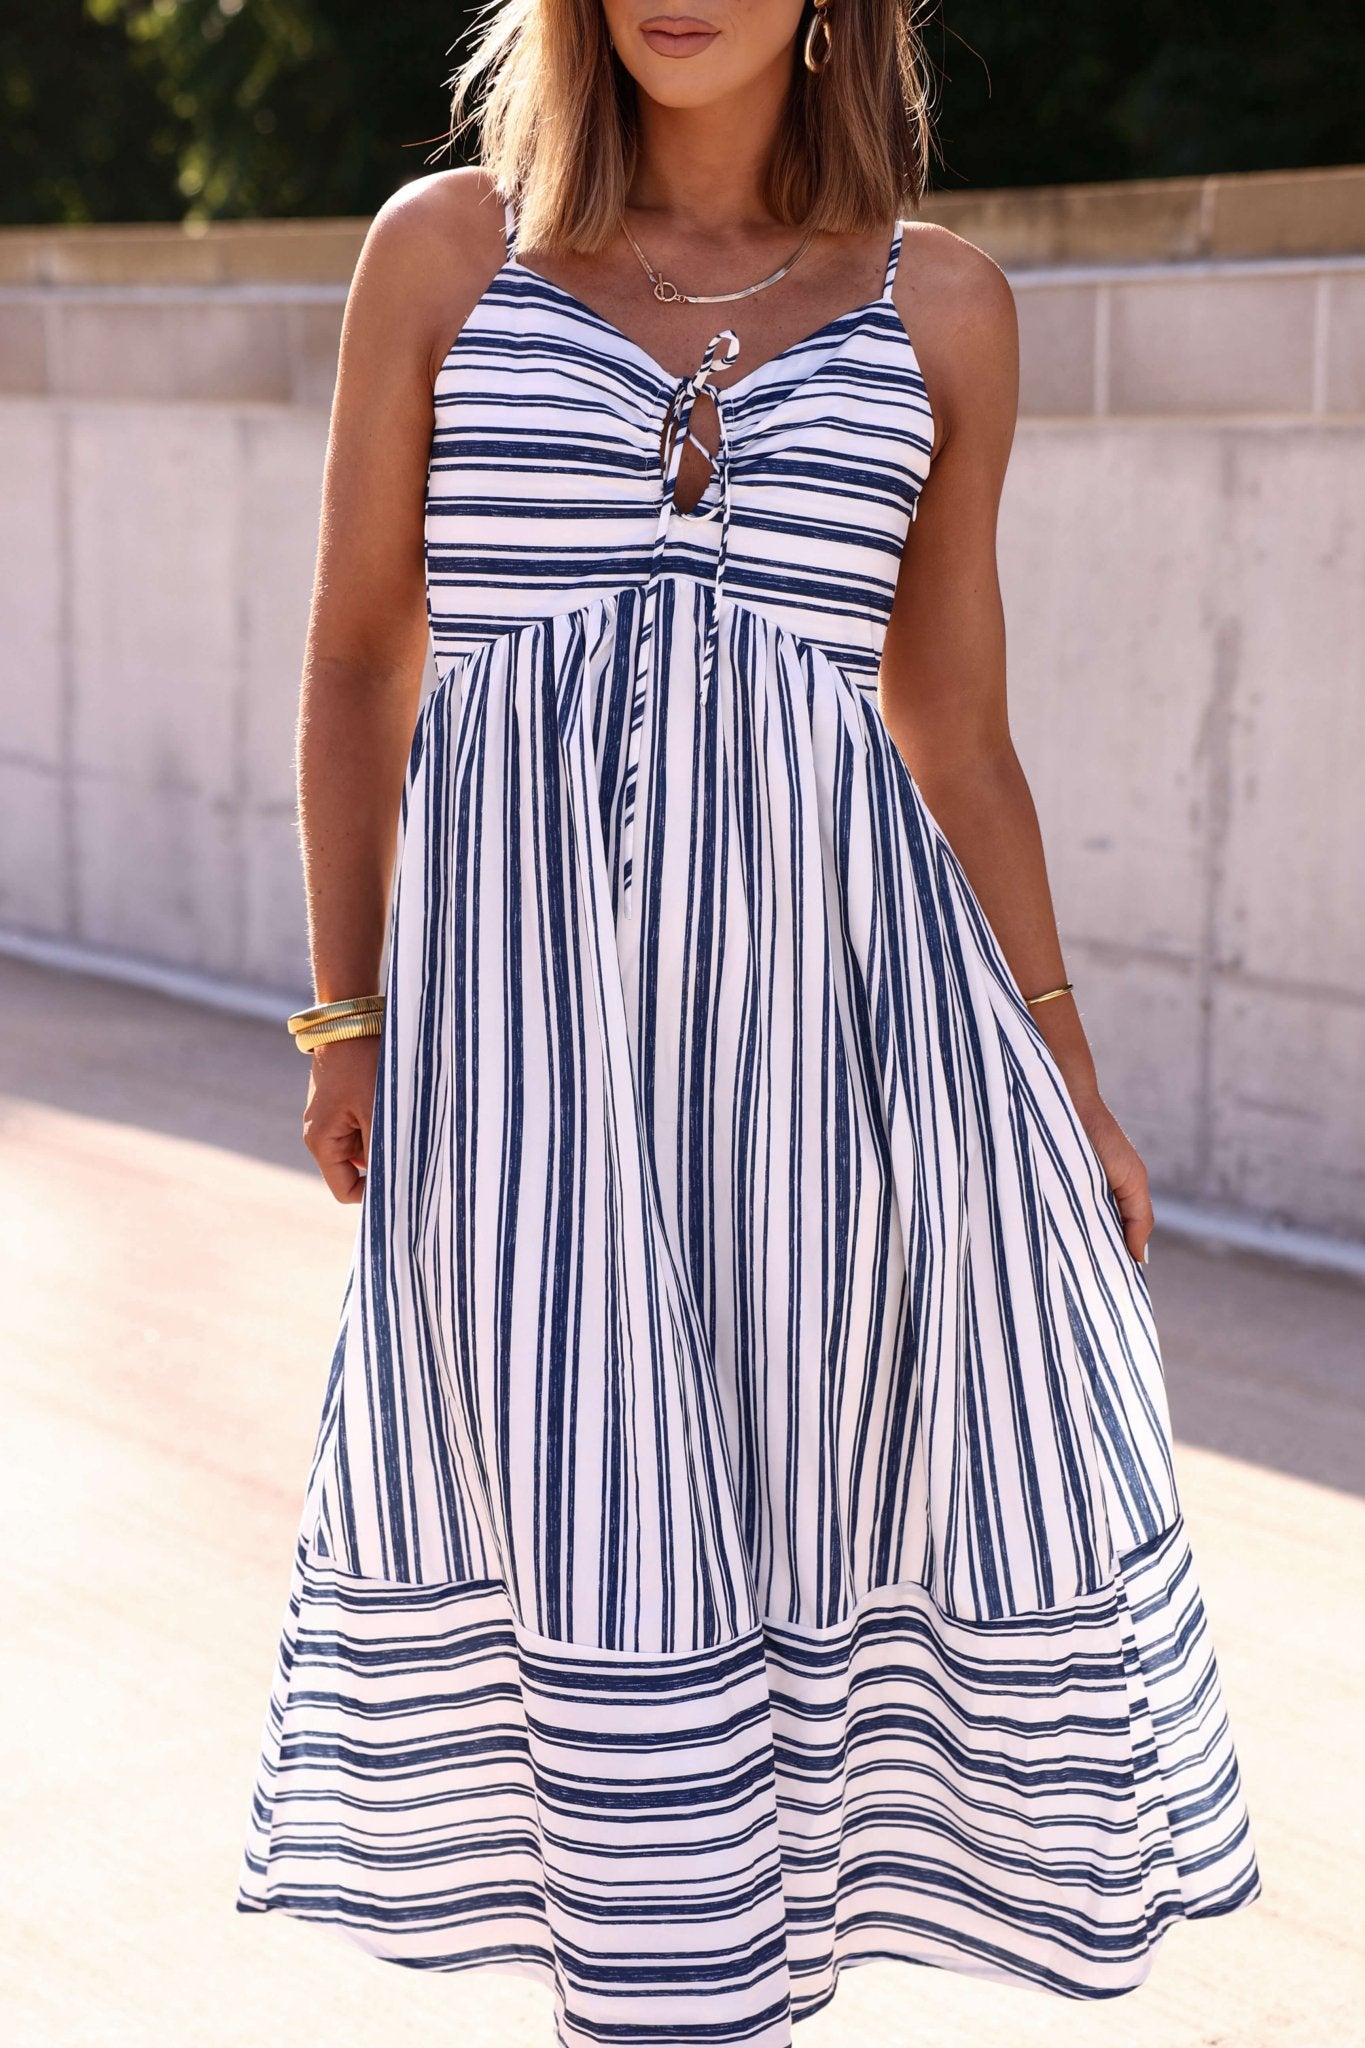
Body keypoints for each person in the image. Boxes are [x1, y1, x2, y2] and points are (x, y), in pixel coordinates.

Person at [235, 4, 1261, 2042]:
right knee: (593, 1535)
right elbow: (359, 658)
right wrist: (345, 1011)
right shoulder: (447, 254)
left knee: (806, 1533)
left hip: (850, 1057)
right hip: (530, 1065)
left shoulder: (941, 306)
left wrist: (1064, 1069)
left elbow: (950, 727)